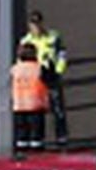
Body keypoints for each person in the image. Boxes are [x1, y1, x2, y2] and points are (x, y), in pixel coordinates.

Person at [20, 11, 70, 146]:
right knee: (35, 110)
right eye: (33, 24)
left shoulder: (53, 37)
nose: (36, 27)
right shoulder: (26, 41)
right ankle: (35, 138)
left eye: (38, 23)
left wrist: (59, 70)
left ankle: (61, 137)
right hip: (34, 80)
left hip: (51, 77)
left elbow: (62, 54)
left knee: (58, 108)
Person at [9, 42, 58, 153]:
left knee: (21, 135)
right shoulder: (38, 68)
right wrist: (50, 63)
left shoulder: (15, 69)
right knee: (36, 136)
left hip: (19, 105)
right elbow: (51, 79)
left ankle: (21, 156)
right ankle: (37, 155)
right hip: (36, 105)